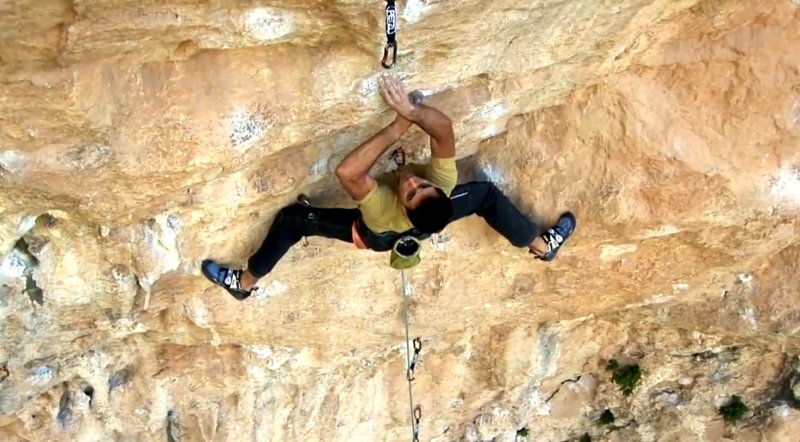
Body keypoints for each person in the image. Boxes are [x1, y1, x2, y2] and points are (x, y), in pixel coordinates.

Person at [201, 75, 576, 300]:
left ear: (406, 207)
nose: (413, 181)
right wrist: (415, 113)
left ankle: (245, 283)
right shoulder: (440, 188)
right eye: (421, 185)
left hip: (376, 233)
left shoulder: (382, 208)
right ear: (438, 191)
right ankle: (540, 244)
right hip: (426, 216)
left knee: (294, 220)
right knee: (485, 196)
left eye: (411, 191)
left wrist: (399, 126)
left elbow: (348, 173)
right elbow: (444, 131)